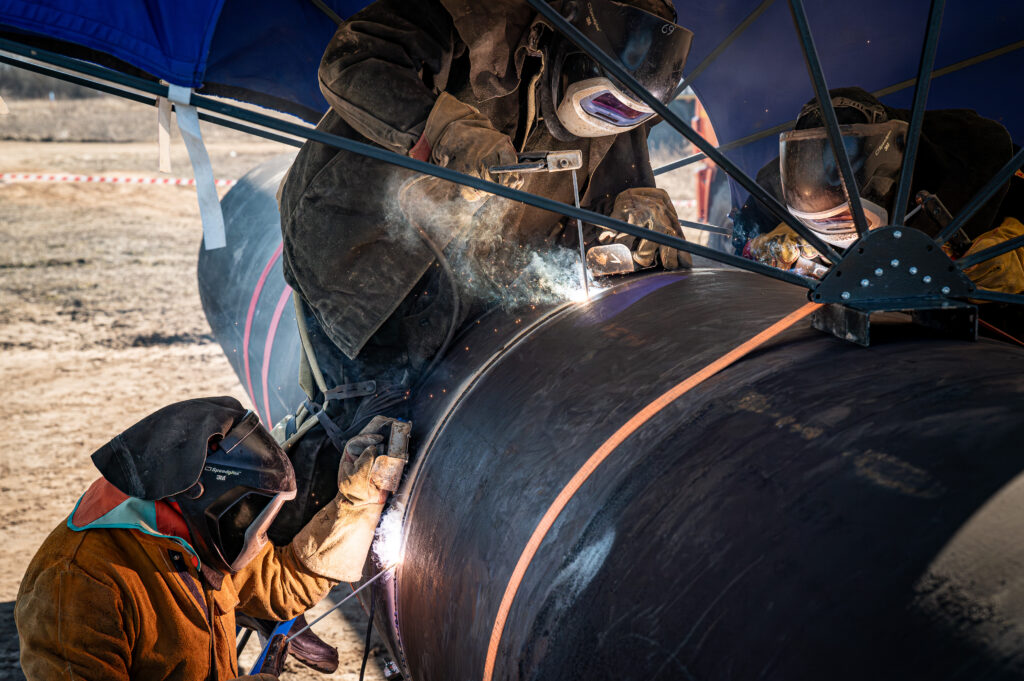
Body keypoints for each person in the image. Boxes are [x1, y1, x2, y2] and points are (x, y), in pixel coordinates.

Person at [277, 0, 697, 435]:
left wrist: (638, 210)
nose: (610, 122)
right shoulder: (470, 14)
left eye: (630, 115)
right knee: (370, 432)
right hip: (366, 261)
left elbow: (617, 186)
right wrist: (443, 128)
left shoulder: (627, 67)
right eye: (604, 106)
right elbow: (351, 61)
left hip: (484, 277)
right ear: (573, 55)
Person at [15, 397, 405, 680]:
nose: (260, 541)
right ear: (207, 499)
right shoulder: (76, 584)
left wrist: (357, 503)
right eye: (256, 516)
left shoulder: (191, 535)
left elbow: (281, 585)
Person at [735, 87, 1024, 294]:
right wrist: (760, 245)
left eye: (843, 166)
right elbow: (742, 241)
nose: (828, 184)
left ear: (886, 160)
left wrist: (1018, 255)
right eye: (814, 167)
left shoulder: (977, 162)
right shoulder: (773, 187)